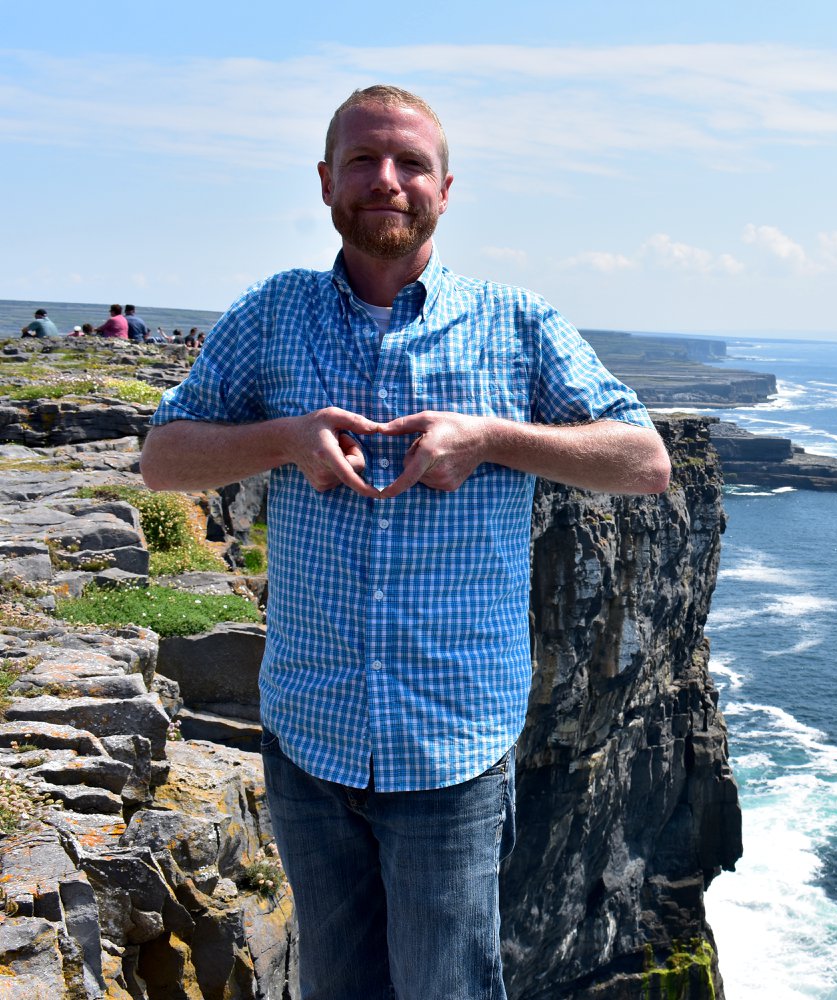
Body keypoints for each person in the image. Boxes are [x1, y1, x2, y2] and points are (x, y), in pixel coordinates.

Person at [139, 84, 670, 999]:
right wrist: (284, 438)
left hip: (451, 749)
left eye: (410, 164)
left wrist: (491, 438)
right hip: (311, 738)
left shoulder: (516, 322)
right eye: (363, 160)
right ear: (325, 181)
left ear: (445, 188)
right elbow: (163, 459)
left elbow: (645, 459)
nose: (386, 180)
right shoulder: (273, 316)